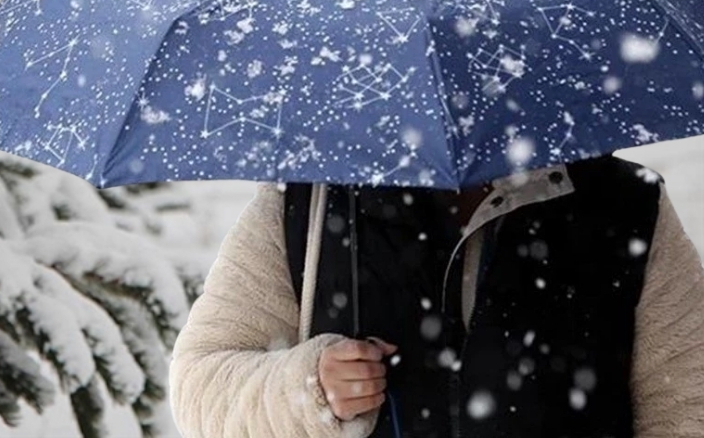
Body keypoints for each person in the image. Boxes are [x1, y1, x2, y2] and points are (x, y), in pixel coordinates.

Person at [167, 154, 704, 438]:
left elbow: (687, 408)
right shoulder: (308, 202)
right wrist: (308, 389)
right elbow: (200, 384)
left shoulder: (623, 206)